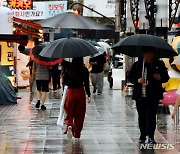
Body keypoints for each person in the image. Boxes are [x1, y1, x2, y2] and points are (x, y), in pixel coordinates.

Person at [128, 49, 169, 145]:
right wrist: (138, 80)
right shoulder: (138, 65)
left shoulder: (159, 64)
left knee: (151, 116)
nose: (148, 56)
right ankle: (142, 135)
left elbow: (166, 77)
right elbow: (130, 77)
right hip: (140, 95)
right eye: (146, 54)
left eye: (150, 54)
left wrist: (160, 78)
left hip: (153, 95)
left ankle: (151, 136)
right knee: (141, 116)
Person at [64, 58, 91, 139]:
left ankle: (69, 124)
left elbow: (65, 81)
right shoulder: (84, 70)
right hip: (80, 91)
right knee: (80, 113)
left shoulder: (68, 68)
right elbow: (86, 83)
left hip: (70, 92)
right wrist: (88, 95)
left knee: (69, 111)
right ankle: (77, 133)